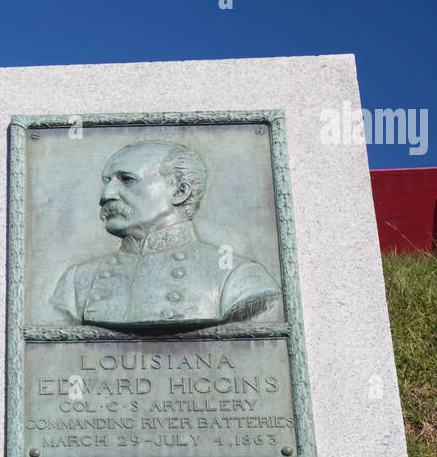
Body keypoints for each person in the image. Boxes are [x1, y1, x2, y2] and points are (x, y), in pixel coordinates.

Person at [49, 141, 280, 328]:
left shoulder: (239, 278)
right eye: (107, 182)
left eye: (127, 180)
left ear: (179, 191)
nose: (106, 195)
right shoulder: (76, 282)